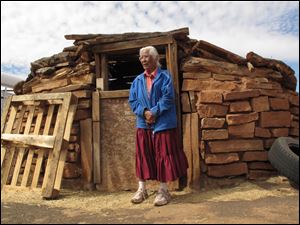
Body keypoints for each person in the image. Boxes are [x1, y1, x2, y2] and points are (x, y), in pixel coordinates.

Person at [128, 46, 188, 206]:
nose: (143, 60)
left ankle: (163, 191)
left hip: (162, 123)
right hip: (143, 124)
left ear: (155, 58)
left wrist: (153, 112)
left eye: (146, 56)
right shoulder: (137, 80)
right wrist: (144, 112)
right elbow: (133, 101)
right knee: (143, 154)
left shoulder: (165, 77)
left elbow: (168, 98)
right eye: (141, 57)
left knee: (163, 155)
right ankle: (142, 189)